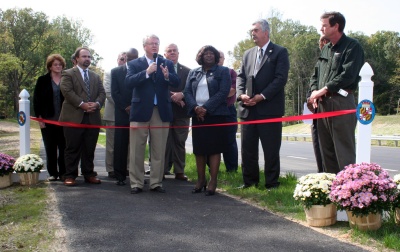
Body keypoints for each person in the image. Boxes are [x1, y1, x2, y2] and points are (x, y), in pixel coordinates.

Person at [236, 19, 290, 189]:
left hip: (269, 110)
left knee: (271, 150)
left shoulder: (280, 52)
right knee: (247, 149)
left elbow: (280, 79)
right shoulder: (248, 54)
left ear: (266, 32)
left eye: (256, 30)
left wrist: (262, 96)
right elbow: (241, 77)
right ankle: (249, 182)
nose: (253, 33)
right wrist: (241, 95)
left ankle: (272, 183)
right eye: (252, 31)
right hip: (248, 110)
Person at [309, 12, 365, 174]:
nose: (321, 29)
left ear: (336, 26)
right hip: (322, 104)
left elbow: (348, 75)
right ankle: (331, 191)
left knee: (343, 150)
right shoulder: (326, 49)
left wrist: (323, 90)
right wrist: (314, 92)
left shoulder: (352, 47)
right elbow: (316, 73)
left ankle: (348, 192)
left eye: (325, 25)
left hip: (341, 102)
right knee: (326, 151)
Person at [125, 34, 179, 194]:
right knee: (137, 149)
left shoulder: (166, 63)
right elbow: (128, 82)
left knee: (159, 149)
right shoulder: (135, 63)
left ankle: (156, 182)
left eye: (157, 43)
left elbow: (177, 82)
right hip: (140, 111)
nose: (155, 46)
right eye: (151, 43)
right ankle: (136, 183)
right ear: (144, 46)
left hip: (161, 111)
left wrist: (168, 75)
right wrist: (146, 73)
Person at [184, 45, 231, 196]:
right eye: (206, 53)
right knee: (199, 149)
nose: (209, 56)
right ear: (201, 56)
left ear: (216, 56)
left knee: (214, 149)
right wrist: (196, 108)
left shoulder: (223, 71)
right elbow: (187, 92)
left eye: (212, 53)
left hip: (216, 115)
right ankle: (200, 180)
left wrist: (206, 108)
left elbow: (223, 92)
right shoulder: (193, 72)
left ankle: (213, 181)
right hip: (198, 115)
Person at [59, 47, 106, 186]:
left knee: (89, 148)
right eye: (84, 56)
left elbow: (102, 93)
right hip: (74, 117)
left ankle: (89, 173)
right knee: (72, 148)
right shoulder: (67, 74)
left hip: (92, 117)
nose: (87, 59)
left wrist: (96, 104)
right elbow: (67, 91)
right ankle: (70, 176)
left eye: (89, 57)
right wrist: (82, 104)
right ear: (77, 59)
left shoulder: (95, 76)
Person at [33, 54, 66, 181]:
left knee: (64, 148)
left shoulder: (66, 79)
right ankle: (53, 173)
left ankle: (63, 173)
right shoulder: (42, 80)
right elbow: (37, 100)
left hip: (64, 120)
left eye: (60, 64)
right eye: (55, 64)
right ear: (50, 67)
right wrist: (40, 118)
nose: (58, 67)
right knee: (50, 147)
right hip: (48, 120)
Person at [163, 43, 191, 180]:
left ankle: (179, 171)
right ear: (165, 54)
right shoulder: (159, 69)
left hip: (182, 112)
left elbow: (191, 88)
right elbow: (157, 87)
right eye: (169, 51)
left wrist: (182, 94)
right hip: (164, 111)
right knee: (163, 142)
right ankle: (160, 170)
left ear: (178, 53)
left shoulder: (187, 71)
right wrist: (172, 97)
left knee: (180, 142)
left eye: (175, 51)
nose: (172, 53)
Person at [111, 48, 139, 185]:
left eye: (135, 58)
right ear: (126, 58)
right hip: (122, 113)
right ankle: (120, 175)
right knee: (120, 145)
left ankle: (137, 176)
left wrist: (134, 106)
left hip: (138, 112)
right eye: (130, 57)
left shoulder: (142, 71)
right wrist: (126, 107)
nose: (132, 60)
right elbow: (114, 93)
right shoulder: (116, 72)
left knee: (137, 146)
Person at [306, 35, 330, 173]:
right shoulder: (319, 64)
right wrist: (312, 96)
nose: (322, 45)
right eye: (321, 44)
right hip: (316, 113)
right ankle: (321, 179)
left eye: (325, 43)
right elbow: (312, 83)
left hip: (330, 110)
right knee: (318, 150)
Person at [103, 51, 127, 179]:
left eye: (126, 59)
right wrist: (124, 106)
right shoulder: (109, 72)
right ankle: (111, 168)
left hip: (129, 113)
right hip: (113, 113)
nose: (124, 61)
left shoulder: (131, 73)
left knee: (127, 144)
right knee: (112, 144)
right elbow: (109, 93)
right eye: (122, 59)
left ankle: (126, 167)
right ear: (117, 59)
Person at [218, 50, 238, 173]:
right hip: (212, 111)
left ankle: (232, 170)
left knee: (229, 141)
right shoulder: (207, 73)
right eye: (216, 57)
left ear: (224, 59)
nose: (218, 59)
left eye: (220, 57)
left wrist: (215, 96)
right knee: (212, 141)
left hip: (228, 110)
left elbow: (232, 90)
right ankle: (213, 170)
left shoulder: (231, 73)